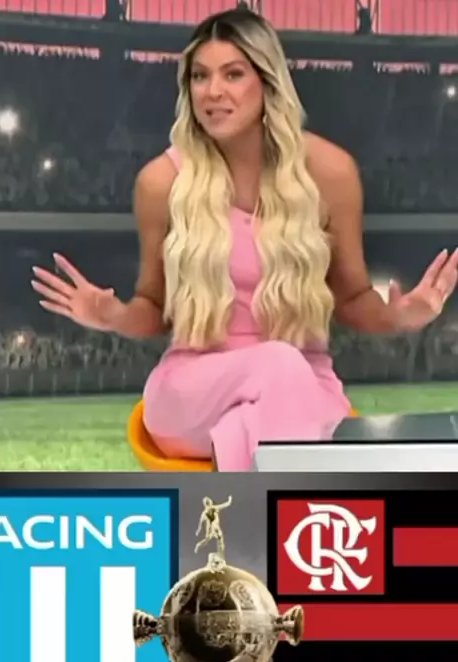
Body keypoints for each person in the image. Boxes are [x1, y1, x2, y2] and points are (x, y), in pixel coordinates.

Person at [30, 7, 458, 471]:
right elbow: (153, 308)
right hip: (194, 391)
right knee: (280, 368)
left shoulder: (331, 172)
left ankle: (239, 485)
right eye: (199, 76)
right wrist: (113, 316)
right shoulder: (161, 181)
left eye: (233, 74)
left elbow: (352, 296)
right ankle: (270, 496)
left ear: (267, 82)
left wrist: (399, 316)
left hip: (304, 386)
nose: (212, 91)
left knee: (284, 384)